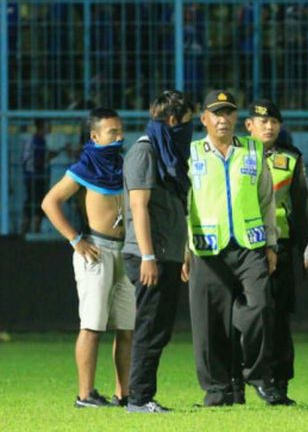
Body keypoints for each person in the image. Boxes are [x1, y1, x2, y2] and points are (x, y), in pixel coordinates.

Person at [185, 90, 292, 406]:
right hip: (207, 247)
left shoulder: (253, 150)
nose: (223, 119)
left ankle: (258, 377)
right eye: (216, 113)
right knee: (208, 322)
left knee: (258, 308)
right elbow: (184, 203)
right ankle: (217, 389)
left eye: (228, 112)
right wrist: (184, 249)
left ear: (236, 119)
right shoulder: (191, 153)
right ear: (204, 118)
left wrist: (271, 243)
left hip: (250, 245)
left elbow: (266, 200)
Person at [41, 108, 135, 408]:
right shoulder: (83, 167)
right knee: (92, 326)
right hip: (97, 251)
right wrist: (76, 240)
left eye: (120, 131)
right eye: (112, 132)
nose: (119, 137)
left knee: (127, 328)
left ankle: (125, 394)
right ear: (95, 136)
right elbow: (49, 202)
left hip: (126, 251)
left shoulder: (122, 164)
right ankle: (86, 394)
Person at [122, 89, 195, 413]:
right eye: (187, 124)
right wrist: (148, 257)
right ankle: (138, 398)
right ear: (172, 120)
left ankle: (142, 395)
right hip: (147, 257)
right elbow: (138, 207)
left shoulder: (168, 155)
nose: (189, 132)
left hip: (166, 255)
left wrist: (182, 251)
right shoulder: (145, 152)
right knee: (150, 328)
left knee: (159, 329)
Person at [242, 99, 308, 399]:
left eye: (274, 121)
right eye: (262, 121)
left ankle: (278, 382)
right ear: (249, 125)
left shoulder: (291, 158)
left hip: (282, 247)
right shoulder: (235, 156)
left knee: (278, 318)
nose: (269, 126)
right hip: (243, 246)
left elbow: (304, 208)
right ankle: (239, 380)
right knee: (246, 317)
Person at [22, 119, 59, 234]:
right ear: (42, 126)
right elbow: (39, 160)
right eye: (48, 124)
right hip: (36, 177)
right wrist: (50, 155)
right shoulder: (38, 141)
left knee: (31, 204)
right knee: (38, 204)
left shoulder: (34, 140)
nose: (50, 127)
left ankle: (25, 232)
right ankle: (33, 232)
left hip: (31, 176)